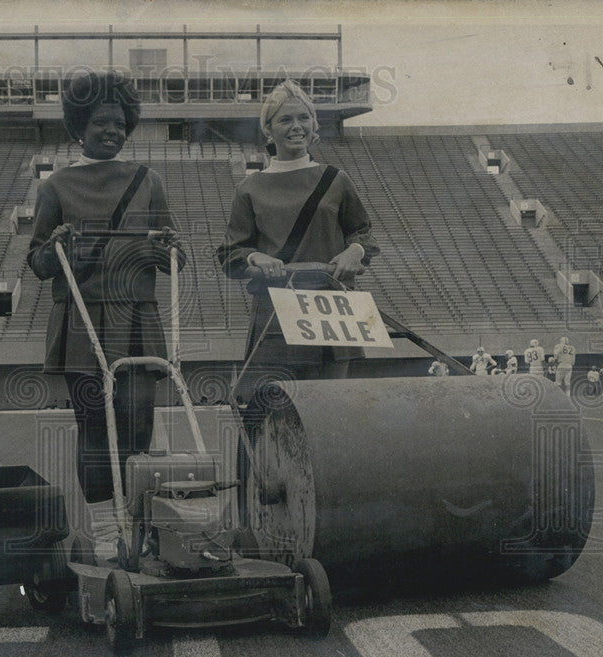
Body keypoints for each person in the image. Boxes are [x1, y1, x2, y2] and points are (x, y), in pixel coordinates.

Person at [27, 70, 184, 548]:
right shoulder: (55, 186)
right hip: (81, 322)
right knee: (94, 429)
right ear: (79, 126)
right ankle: (103, 532)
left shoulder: (149, 180)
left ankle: (140, 527)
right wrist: (55, 246)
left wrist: (168, 249)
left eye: (120, 123)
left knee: (137, 424)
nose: (113, 131)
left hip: (136, 318)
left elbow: (175, 256)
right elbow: (37, 263)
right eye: (101, 123)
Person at [217, 79, 379, 390]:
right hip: (276, 309)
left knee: (335, 410)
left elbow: (363, 232)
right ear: (269, 128)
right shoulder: (249, 188)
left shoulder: (336, 179)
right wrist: (255, 255)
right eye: (285, 119)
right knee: (280, 413)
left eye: (303, 118)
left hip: (334, 308)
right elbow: (229, 255)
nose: (297, 126)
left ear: (314, 124)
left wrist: (354, 251)